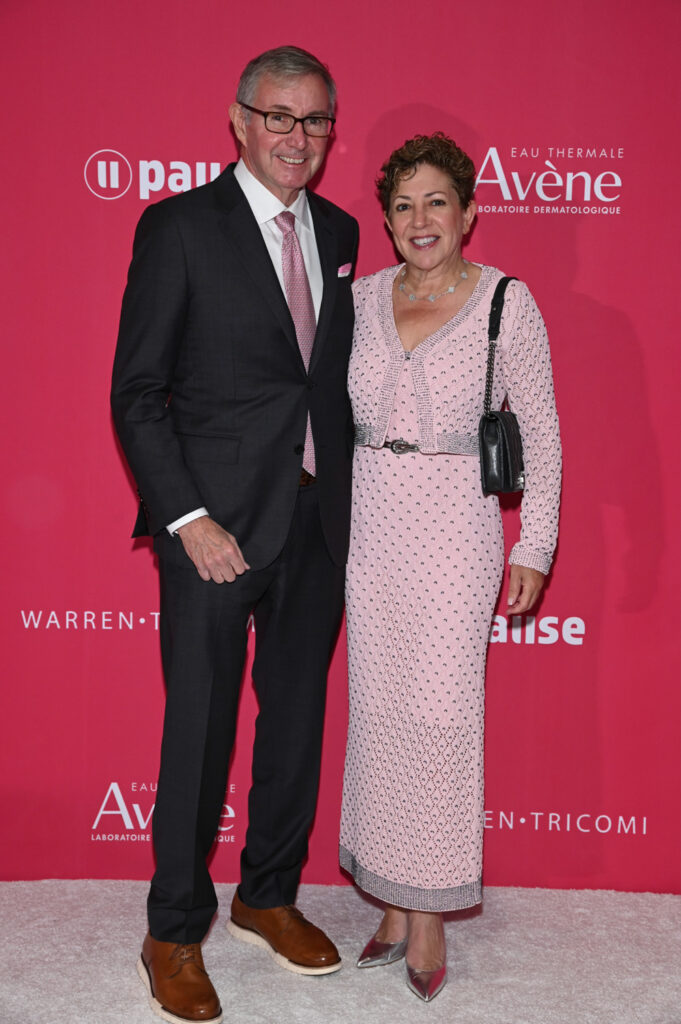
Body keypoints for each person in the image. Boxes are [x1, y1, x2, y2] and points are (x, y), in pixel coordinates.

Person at [111, 45, 358, 1024]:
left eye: (315, 119)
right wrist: (187, 518)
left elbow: (322, 384)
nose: (298, 137)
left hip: (316, 520)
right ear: (240, 120)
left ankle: (267, 893)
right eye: (279, 116)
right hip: (211, 530)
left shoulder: (341, 230)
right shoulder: (178, 226)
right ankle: (173, 929)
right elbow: (137, 393)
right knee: (200, 729)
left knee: (294, 722)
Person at [339, 132, 561, 1002]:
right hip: (368, 525)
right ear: (387, 222)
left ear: (467, 212)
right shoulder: (359, 299)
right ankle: (391, 900)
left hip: (454, 531)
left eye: (436, 201)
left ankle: (428, 911)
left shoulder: (507, 301)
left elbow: (540, 433)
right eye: (402, 206)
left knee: (439, 717)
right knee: (377, 711)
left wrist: (533, 544)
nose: (419, 219)